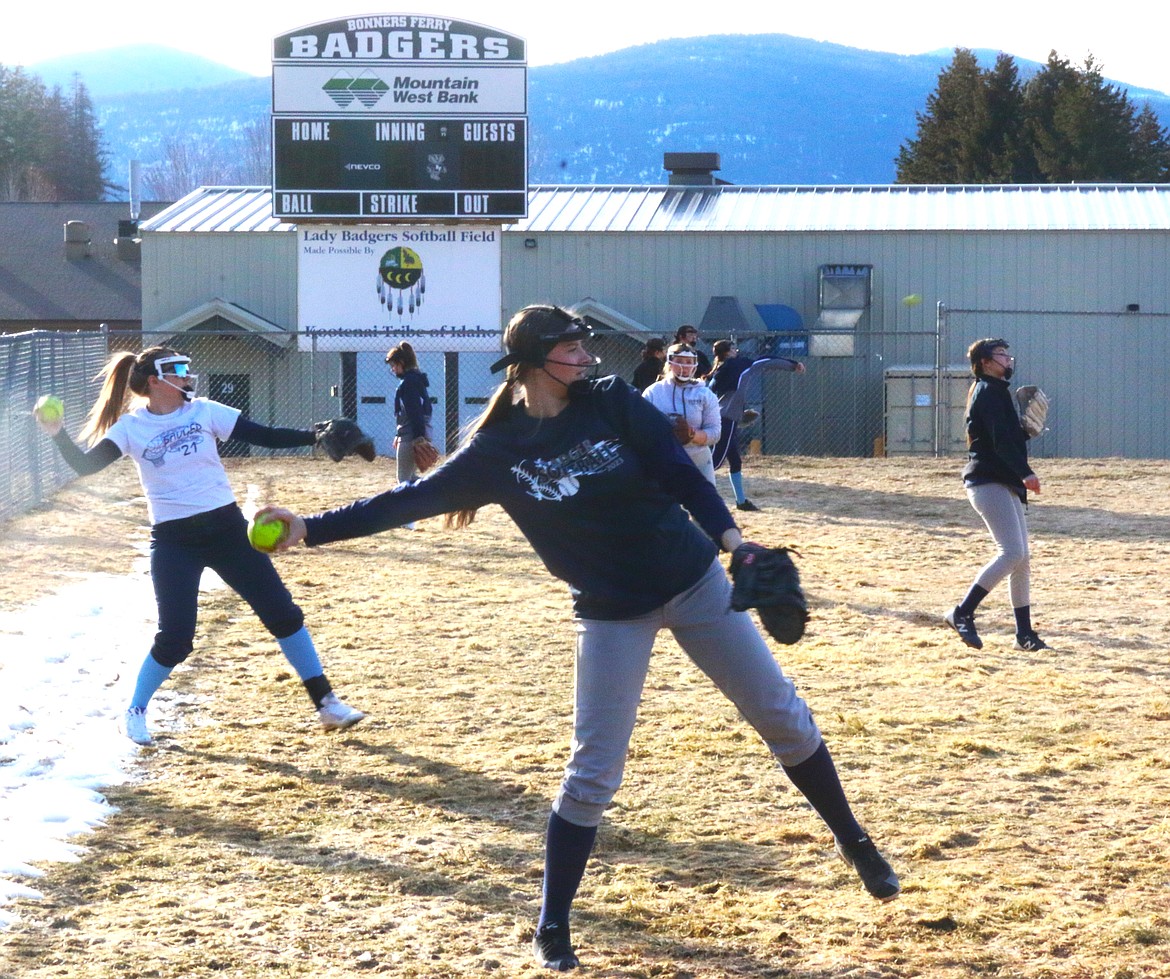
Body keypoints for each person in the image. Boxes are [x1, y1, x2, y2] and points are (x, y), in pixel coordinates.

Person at [256, 305, 900, 972]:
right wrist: (308, 526)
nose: (586, 358)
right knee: (592, 773)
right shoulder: (499, 451)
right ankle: (553, 923)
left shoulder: (613, 401)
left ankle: (855, 842)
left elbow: (679, 474)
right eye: (571, 348)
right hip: (612, 610)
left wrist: (734, 541)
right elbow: (399, 504)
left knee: (783, 717)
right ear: (533, 362)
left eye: (584, 347)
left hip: (693, 580)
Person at [33, 346, 366, 746]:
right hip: (175, 541)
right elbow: (85, 466)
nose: (188, 376)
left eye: (188, 368)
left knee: (283, 614)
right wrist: (57, 434)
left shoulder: (204, 410)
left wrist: (313, 435)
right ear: (154, 380)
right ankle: (135, 711)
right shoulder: (130, 427)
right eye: (178, 370)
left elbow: (265, 435)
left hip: (227, 531)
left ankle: (326, 703)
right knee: (175, 637)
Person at [945, 338, 1048, 652]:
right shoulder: (989, 392)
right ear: (986, 362)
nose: (1008, 358)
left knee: (1022, 559)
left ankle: (1024, 635)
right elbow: (1000, 443)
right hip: (988, 481)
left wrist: (1025, 431)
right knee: (1012, 553)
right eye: (1001, 354)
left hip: (1001, 480)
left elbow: (1005, 436)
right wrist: (1025, 472)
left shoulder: (993, 391)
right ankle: (962, 612)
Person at [707, 339, 806, 511]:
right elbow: (766, 361)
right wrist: (793, 364)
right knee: (714, 463)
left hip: (724, 417)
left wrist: (740, 415)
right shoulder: (739, 364)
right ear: (728, 352)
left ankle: (741, 501)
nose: (736, 350)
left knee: (735, 461)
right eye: (733, 348)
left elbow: (715, 394)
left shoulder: (719, 369)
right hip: (727, 420)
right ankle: (693, 494)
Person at [642, 343, 722, 485]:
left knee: (706, 503)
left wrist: (692, 435)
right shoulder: (654, 392)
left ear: (695, 364)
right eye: (679, 361)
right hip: (664, 458)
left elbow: (715, 433)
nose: (684, 367)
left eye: (688, 362)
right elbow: (641, 428)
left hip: (698, 457)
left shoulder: (704, 394)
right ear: (670, 363)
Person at [385, 340, 435, 484]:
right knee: (411, 478)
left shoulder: (408, 383)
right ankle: (434, 492)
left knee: (404, 480)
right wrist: (398, 434)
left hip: (411, 435)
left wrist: (418, 437)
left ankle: (435, 494)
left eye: (394, 365)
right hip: (412, 433)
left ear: (402, 362)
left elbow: (415, 412)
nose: (392, 369)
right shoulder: (416, 379)